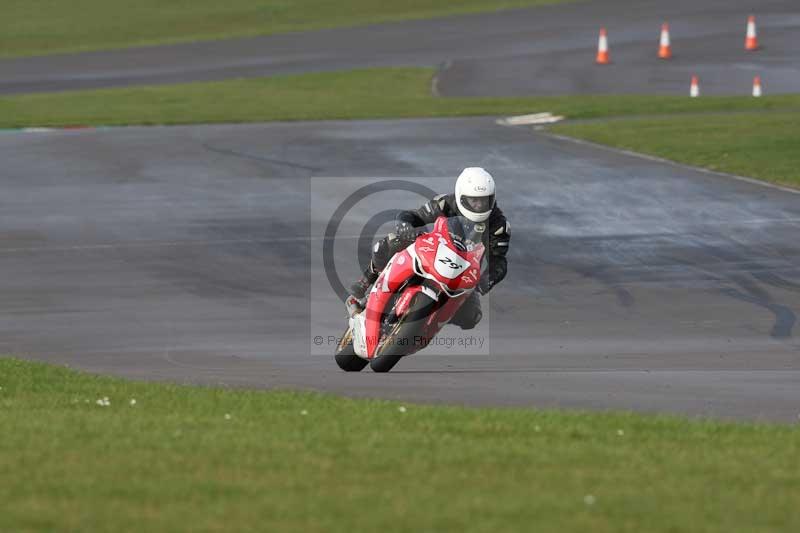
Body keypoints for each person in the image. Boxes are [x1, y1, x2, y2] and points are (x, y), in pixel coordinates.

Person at [347, 167, 510, 329]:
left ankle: (430, 322)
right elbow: (415, 216)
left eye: (484, 200)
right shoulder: (446, 203)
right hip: (434, 249)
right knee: (391, 242)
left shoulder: (498, 225)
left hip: (463, 273)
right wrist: (405, 225)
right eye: (474, 200)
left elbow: (498, 261)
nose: (479, 205)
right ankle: (366, 280)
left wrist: (485, 281)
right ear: (462, 196)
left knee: (472, 317)